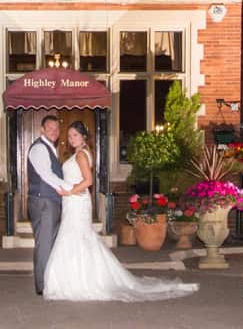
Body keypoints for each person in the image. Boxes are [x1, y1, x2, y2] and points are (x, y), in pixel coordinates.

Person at [44, 120, 200, 303]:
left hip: (76, 201)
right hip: (75, 202)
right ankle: (80, 278)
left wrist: (70, 191)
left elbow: (88, 181)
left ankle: (79, 281)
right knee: (78, 237)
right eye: (69, 136)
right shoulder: (82, 153)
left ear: (83, 136)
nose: (71, 139)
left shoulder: (81, 156)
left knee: (75, 236)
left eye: (75, 135)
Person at [27, 114, 74, 295]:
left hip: (49, 200)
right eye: (50, 128)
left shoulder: (49, 148)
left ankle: (47, 281)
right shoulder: (39, 148)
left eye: (56, 129)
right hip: (43, 201)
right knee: (45, 244)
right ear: (42, 130)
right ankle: (42, 285)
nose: (54, 132)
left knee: (48, 243)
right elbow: (46, 175)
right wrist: (69, 188)